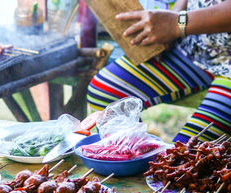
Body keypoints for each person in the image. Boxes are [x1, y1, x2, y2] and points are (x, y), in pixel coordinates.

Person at [87, 0, 231, 143]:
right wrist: (172, 18)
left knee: (186, 155)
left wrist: (176, 23)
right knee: (105, 91)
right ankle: (133, 154)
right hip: (193, 46)